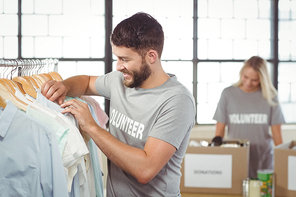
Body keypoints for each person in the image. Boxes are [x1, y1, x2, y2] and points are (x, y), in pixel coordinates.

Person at [41, 12, 196, 196]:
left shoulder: (177, 100)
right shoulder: (119, 80)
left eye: (125, 59)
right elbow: (86, 81)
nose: (118, 66)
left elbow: (145, 170)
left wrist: (91, 126)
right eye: (117, 58)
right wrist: (63, 86)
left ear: (151, 56)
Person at [213, 56, 285, 179]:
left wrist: (285, 161)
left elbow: (277, 136)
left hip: (263, 160)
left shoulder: (271, 97)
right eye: (245, 77)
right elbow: (219, 134)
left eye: (254, 80)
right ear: (241, 73)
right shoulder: (228, 94)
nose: (248, 83)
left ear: (262, 79)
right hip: (237, 157)